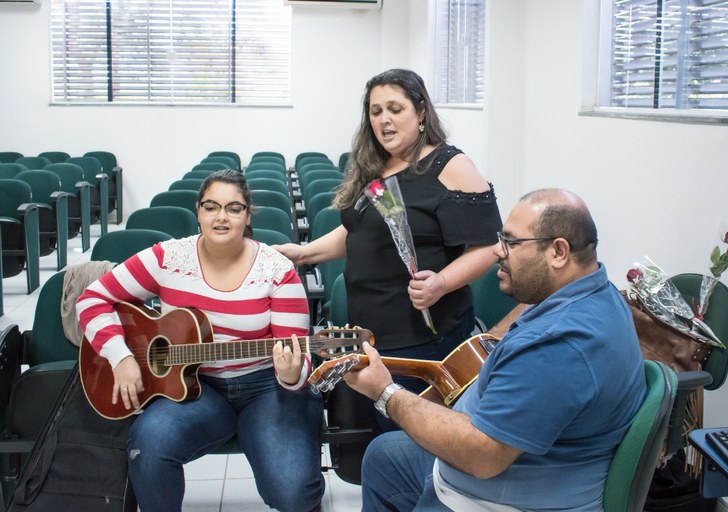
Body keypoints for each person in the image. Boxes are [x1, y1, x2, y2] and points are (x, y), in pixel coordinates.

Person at [343, 188, 648, 511]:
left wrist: (386, 393)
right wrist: (487, 341)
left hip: (495, 497)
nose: (498, 251)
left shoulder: (560, 346)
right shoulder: (595, 291)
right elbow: (527, 316)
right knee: (384, 455)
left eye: (512, 243)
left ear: (558, 251)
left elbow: (481, 457)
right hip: (521, 468)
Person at [76, 169, 324, 512]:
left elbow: (299, 358)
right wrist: (120, 356)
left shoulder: (277, 270)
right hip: (193, 388)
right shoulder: (168, 258)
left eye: (234, 208)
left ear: (248, 215)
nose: (221, 217)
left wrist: (291, 374)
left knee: (292, 492)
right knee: (149, 443)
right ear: (198, 211)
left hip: (266, 389)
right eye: (211, 207)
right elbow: (92, 298)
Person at [275, 68, 502, 397]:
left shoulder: (450, 166)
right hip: (371, 333)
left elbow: (489, 246)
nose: (384, 120)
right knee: (380, 435)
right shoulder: (376, 165)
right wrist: (304, 253)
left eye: (395, 109)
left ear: (421, 112)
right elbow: (361, 232)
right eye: (376, 111)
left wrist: (442, 283)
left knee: (411, 436)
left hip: (425, 338)